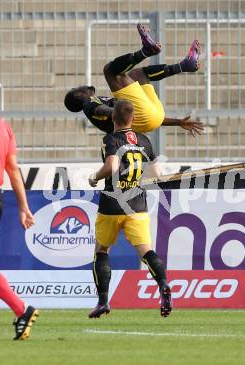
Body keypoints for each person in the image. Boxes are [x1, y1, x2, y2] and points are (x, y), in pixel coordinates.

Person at [87, 99, 172, 318]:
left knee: (102, 251)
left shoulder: (111, 139)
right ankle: (163, 284)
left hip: (112, 205)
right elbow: (157, 174)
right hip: (137, 206)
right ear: (133, 119)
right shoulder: (144, 140)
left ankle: (103, 301)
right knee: (146, 252)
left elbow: (112, 166)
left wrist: (94, 177)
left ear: (112, 118)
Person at [64, 23, 204, 136]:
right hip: (142, 119)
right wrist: (115, 113)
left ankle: (184, 65)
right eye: (77, 88)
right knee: (109, 71)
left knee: (137, 74)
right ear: (78, 94)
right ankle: (146, 51)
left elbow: (150, 119)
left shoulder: (96, 101)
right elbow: (99, 110)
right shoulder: (88, 104)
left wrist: (178, 122)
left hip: (154, 117)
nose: (81, 86)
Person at [0, 111, 39, 340]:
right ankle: (22, 310)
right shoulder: (1, 126)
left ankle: (22, 309)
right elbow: (13, 169)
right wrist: (23, 206)